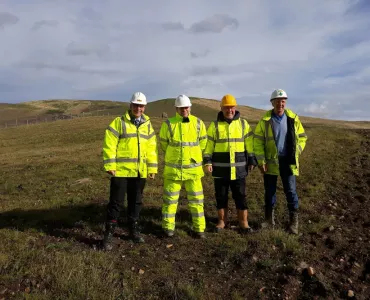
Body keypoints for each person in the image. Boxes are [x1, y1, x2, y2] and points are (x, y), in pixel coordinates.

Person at [101, 92, 158, 250]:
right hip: (120, 171)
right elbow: (109, 144)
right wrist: (110, 165)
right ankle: (109, 235)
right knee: (116, 203)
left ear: (144, 107)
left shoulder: (148, 125)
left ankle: (133, 230)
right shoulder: (119, 122)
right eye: (136, 105)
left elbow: (152, 149)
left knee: (136, 202)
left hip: (140, 172)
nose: (138, 108)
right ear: (130, 105)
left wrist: (152, 168)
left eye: (141, 106)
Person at [253, 89, 307, 234]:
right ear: (272, 103)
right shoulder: (265, 121)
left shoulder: (293, 118)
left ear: (285, 102)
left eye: (283, 101)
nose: (280, 104)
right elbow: (257, 142)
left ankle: (293, 223)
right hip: (270, 163)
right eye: (277, 101)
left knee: (290, 191)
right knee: (269, 192)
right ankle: (269, 221)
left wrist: (297, 151)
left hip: (288, 161)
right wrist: (261, 160)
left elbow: (302, 137)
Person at [203, 94, 257, 233]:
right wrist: (207, 161)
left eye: (231, 107)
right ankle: (221, 222)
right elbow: (208, 146)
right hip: (220, 170)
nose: (229, 110)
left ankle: (244, 223)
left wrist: (251, 158)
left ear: (235, 108)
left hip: (239, 169)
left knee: (240, 196)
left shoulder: (243, 124)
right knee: (221, 196)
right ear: (221, 108)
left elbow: (249, 143)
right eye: (226, 107)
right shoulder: (214, 126)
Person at [159, 95, 208, 238]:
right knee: (170, 201)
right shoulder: (168, 124)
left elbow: (203, 144)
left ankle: (199, 229)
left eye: (186, 107)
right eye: (181, 108)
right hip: (173, 171)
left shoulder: (198, 123)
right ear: (176, 109)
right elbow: (164, 144)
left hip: (193, 171)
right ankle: (168, 228)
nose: (184, 110)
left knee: (197, 201)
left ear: (190, 107)